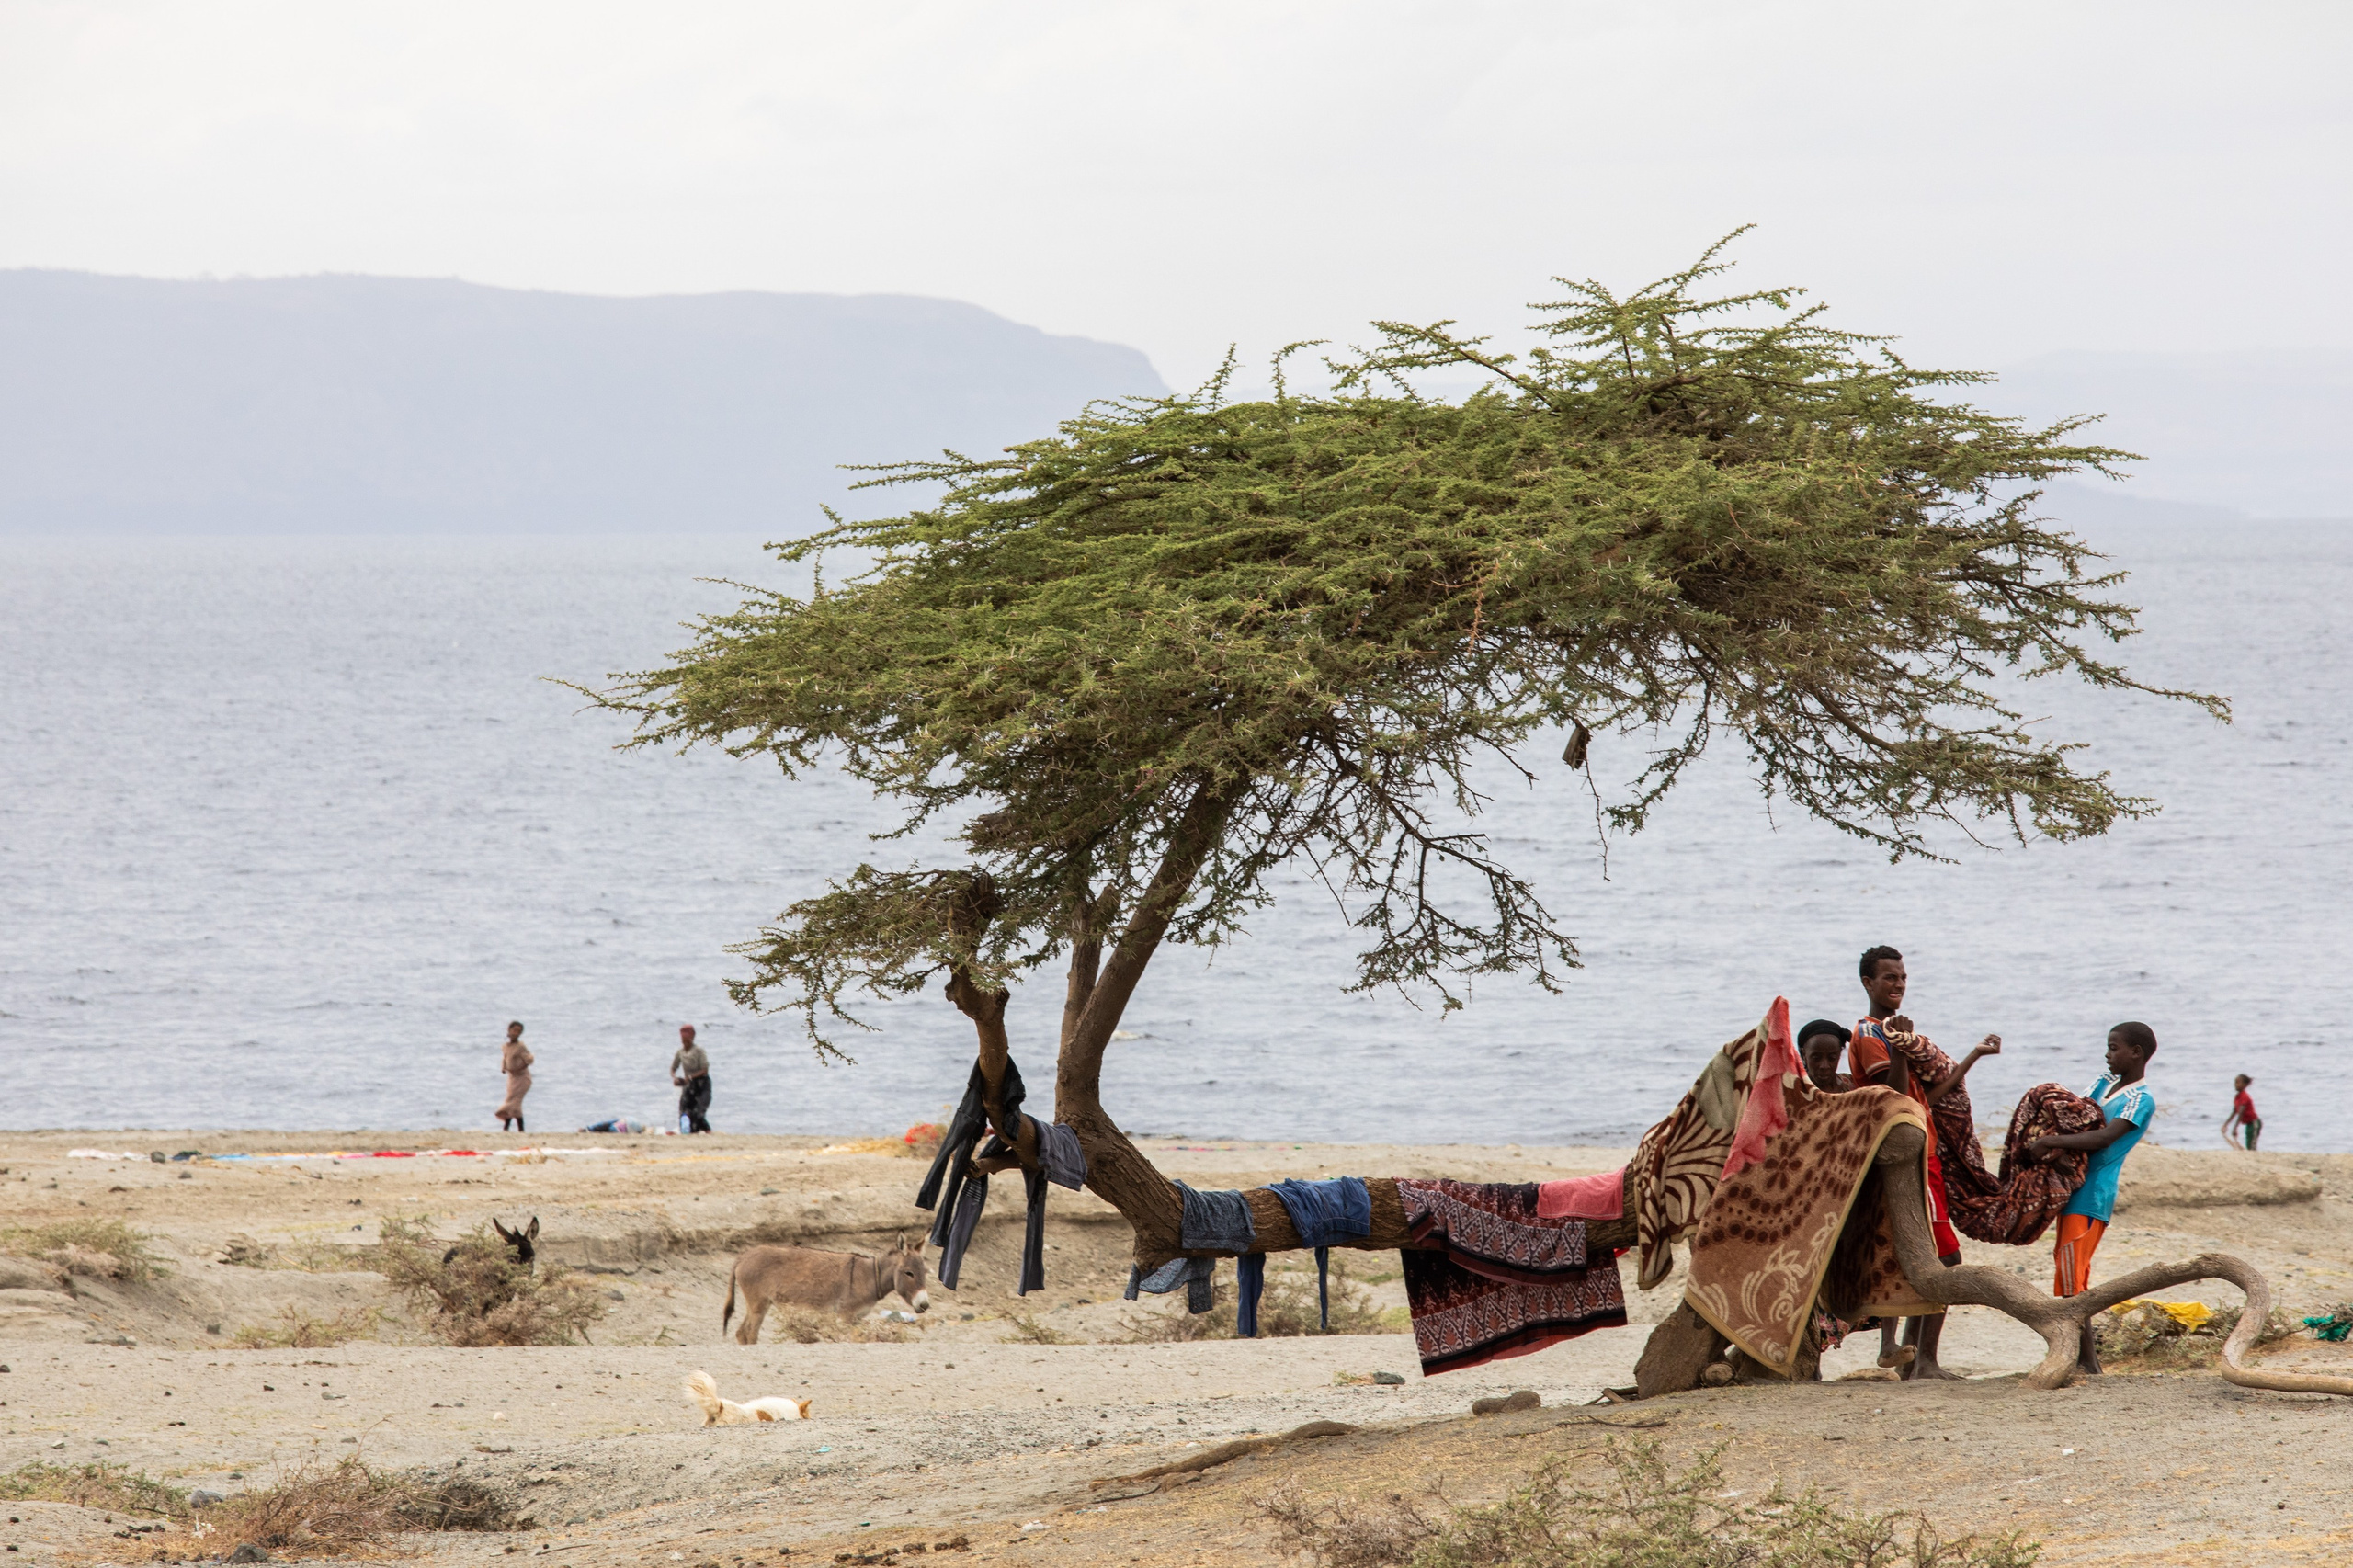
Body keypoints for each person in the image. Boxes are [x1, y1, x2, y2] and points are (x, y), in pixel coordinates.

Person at [1847, 945, 1999, 1381]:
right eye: (1889, 977)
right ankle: (1925, 1361)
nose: (1898, 985)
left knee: (1928, 1259)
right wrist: (1899, 1049)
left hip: (1924, 1154)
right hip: (1909, 1161)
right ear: (1868, 983)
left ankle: (1917, 1360)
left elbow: (1924, 1100)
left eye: (1903, 978)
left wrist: (1972, 1056)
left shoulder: (1888, 1032)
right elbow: (1894, 1100)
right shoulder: (1870, 1034)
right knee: (1944, 1262)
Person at [2026, 1021, 2159, 1375]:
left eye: (2114, 1048)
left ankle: (2087, 1361)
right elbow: (2075, 1119)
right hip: (2073, 1190)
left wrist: (2051, 1143)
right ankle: (2083, 1360)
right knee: (2071, 1275)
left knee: (2073, 1277)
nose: (2108, 1053)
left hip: (2093, 1194)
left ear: (2137, 1053)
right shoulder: (2103, 1084)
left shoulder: (2140, 1100)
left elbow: (2103, 1138)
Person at [672, 1024, 712, 1134]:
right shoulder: (680, 1052)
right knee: (684, 1112)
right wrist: (675, 1078)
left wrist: (690, 1077)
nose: (685, 1043)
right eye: (683, 1040)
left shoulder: (699, 1051)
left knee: (698, 1112)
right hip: (689, 1085)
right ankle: (691, 1131)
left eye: (687, 1040)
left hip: (702, 1084)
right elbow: (673, 1068)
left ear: (692, 1038)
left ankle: (707, 1131)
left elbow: (705, 1069)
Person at [495, 1020, 534, 1133]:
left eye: (519, 1031)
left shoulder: (521, 1046)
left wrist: (521, 1067)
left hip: (523, 1078)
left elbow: (529, 1059)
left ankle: (507, 1128)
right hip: (512, 1078)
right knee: (512, 1101)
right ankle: (518, 1130)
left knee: (515, 1102)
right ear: (509, 1030)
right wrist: (504, 1068)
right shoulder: (506, 1046)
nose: (516, 1033)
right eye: (514, 1030)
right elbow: (505, 1058)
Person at [1799, 1019, 1852, 1093]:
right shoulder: (1794, 1092)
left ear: (1839, 1054)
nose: (1824, 1066)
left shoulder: (1852, 1085)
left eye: (1832, 1058)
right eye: (1816, 1058)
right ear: (1803, 1054)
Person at [2222, 1074, 2261, 1151]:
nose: (2235, 1085)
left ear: (2245, 1085)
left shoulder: (2244, 1096)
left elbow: (2241, 1113)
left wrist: (2235, 1128)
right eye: (2235, 1082)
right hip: (2248, 1124)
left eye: (2238, 1083)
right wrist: (2226, 1124)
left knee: (2252, 1146)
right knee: (2249, 1143)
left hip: (2254, 1123)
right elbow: (2234, 1111)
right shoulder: (2237, 1097)